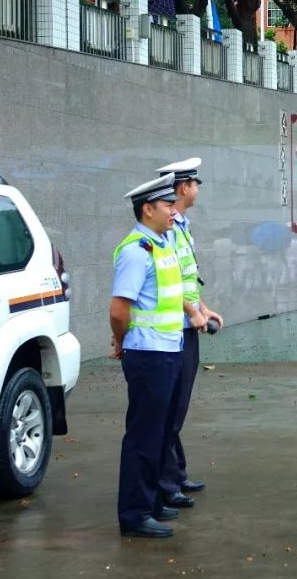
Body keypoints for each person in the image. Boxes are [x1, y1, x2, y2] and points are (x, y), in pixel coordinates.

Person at [110, 173, 185, 539]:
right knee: (143, 435)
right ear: (148, 209)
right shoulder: (135, 250)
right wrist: (118, 342)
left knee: (158, 433)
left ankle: (152, 502)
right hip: (147, 354)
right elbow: (118, 308)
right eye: (168, 205)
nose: (174, 210)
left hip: (168, 351)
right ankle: (134, 514)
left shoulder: (161, 245)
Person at [154, 158, 222, 511]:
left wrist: (203, 308)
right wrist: (193, 313)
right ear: (183, 188)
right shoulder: (165, 229)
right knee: (170, 410)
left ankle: (176, 474)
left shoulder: (180, 226)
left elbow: (186, 278)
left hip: (187, 324)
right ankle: (166, 484)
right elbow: (166, 281)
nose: (197, 189)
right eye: (196, 183)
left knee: (177, 407)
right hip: (172, 330)